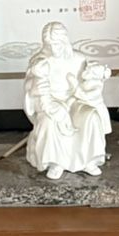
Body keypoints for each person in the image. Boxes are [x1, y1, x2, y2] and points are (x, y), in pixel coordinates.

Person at [23, 21, 83, 180]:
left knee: (89, 116)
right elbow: (33, 89)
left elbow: (87, 83)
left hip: (75, 99)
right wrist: (50, 105)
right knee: (49, 121)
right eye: (49, 45)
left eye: (57, 44)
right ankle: (55, 161)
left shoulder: (78, 59)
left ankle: (88, 159)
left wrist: (71, 100)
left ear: (64, 41)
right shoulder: (40, 61)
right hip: (47, 102)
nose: (53, 49)